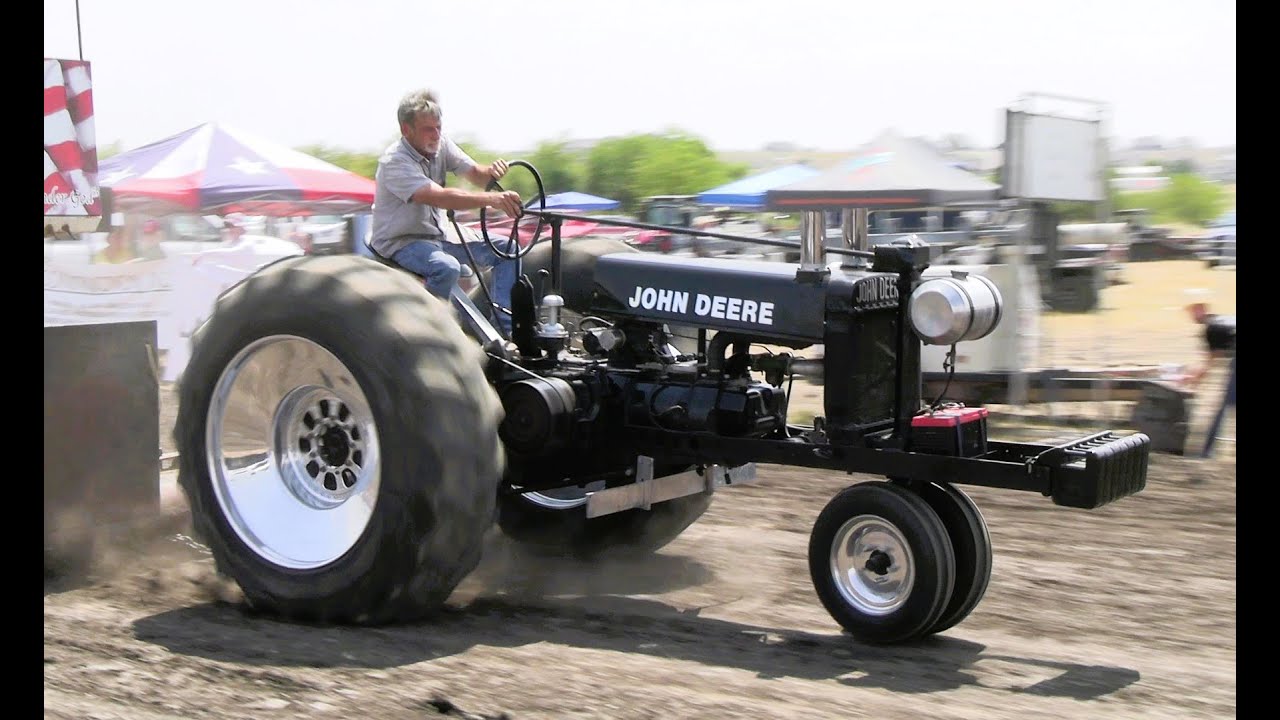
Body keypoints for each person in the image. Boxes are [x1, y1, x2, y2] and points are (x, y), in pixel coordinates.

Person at [369, 88, 523, 335]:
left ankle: (505, 333)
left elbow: (476, 175)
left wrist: (493, 172)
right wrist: (492, 199)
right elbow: (439, 198)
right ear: (406, 130)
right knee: (446, 268)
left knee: (509, 249)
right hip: (402, 242)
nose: (436, 134)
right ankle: (432, 334)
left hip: (438, 236)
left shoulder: (441, 145)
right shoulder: (394, 163)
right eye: (428, 129)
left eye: (439, 127)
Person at [1184, 295, 1236, 458]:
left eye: (1194, 310)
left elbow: (1210, 362)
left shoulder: (1211, 328)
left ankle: (1206, 452)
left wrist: (1194, 379)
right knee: (1228, 403)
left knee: (1226, 405)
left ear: (1202, 309)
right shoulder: (1222, 321)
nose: (1192, 315)